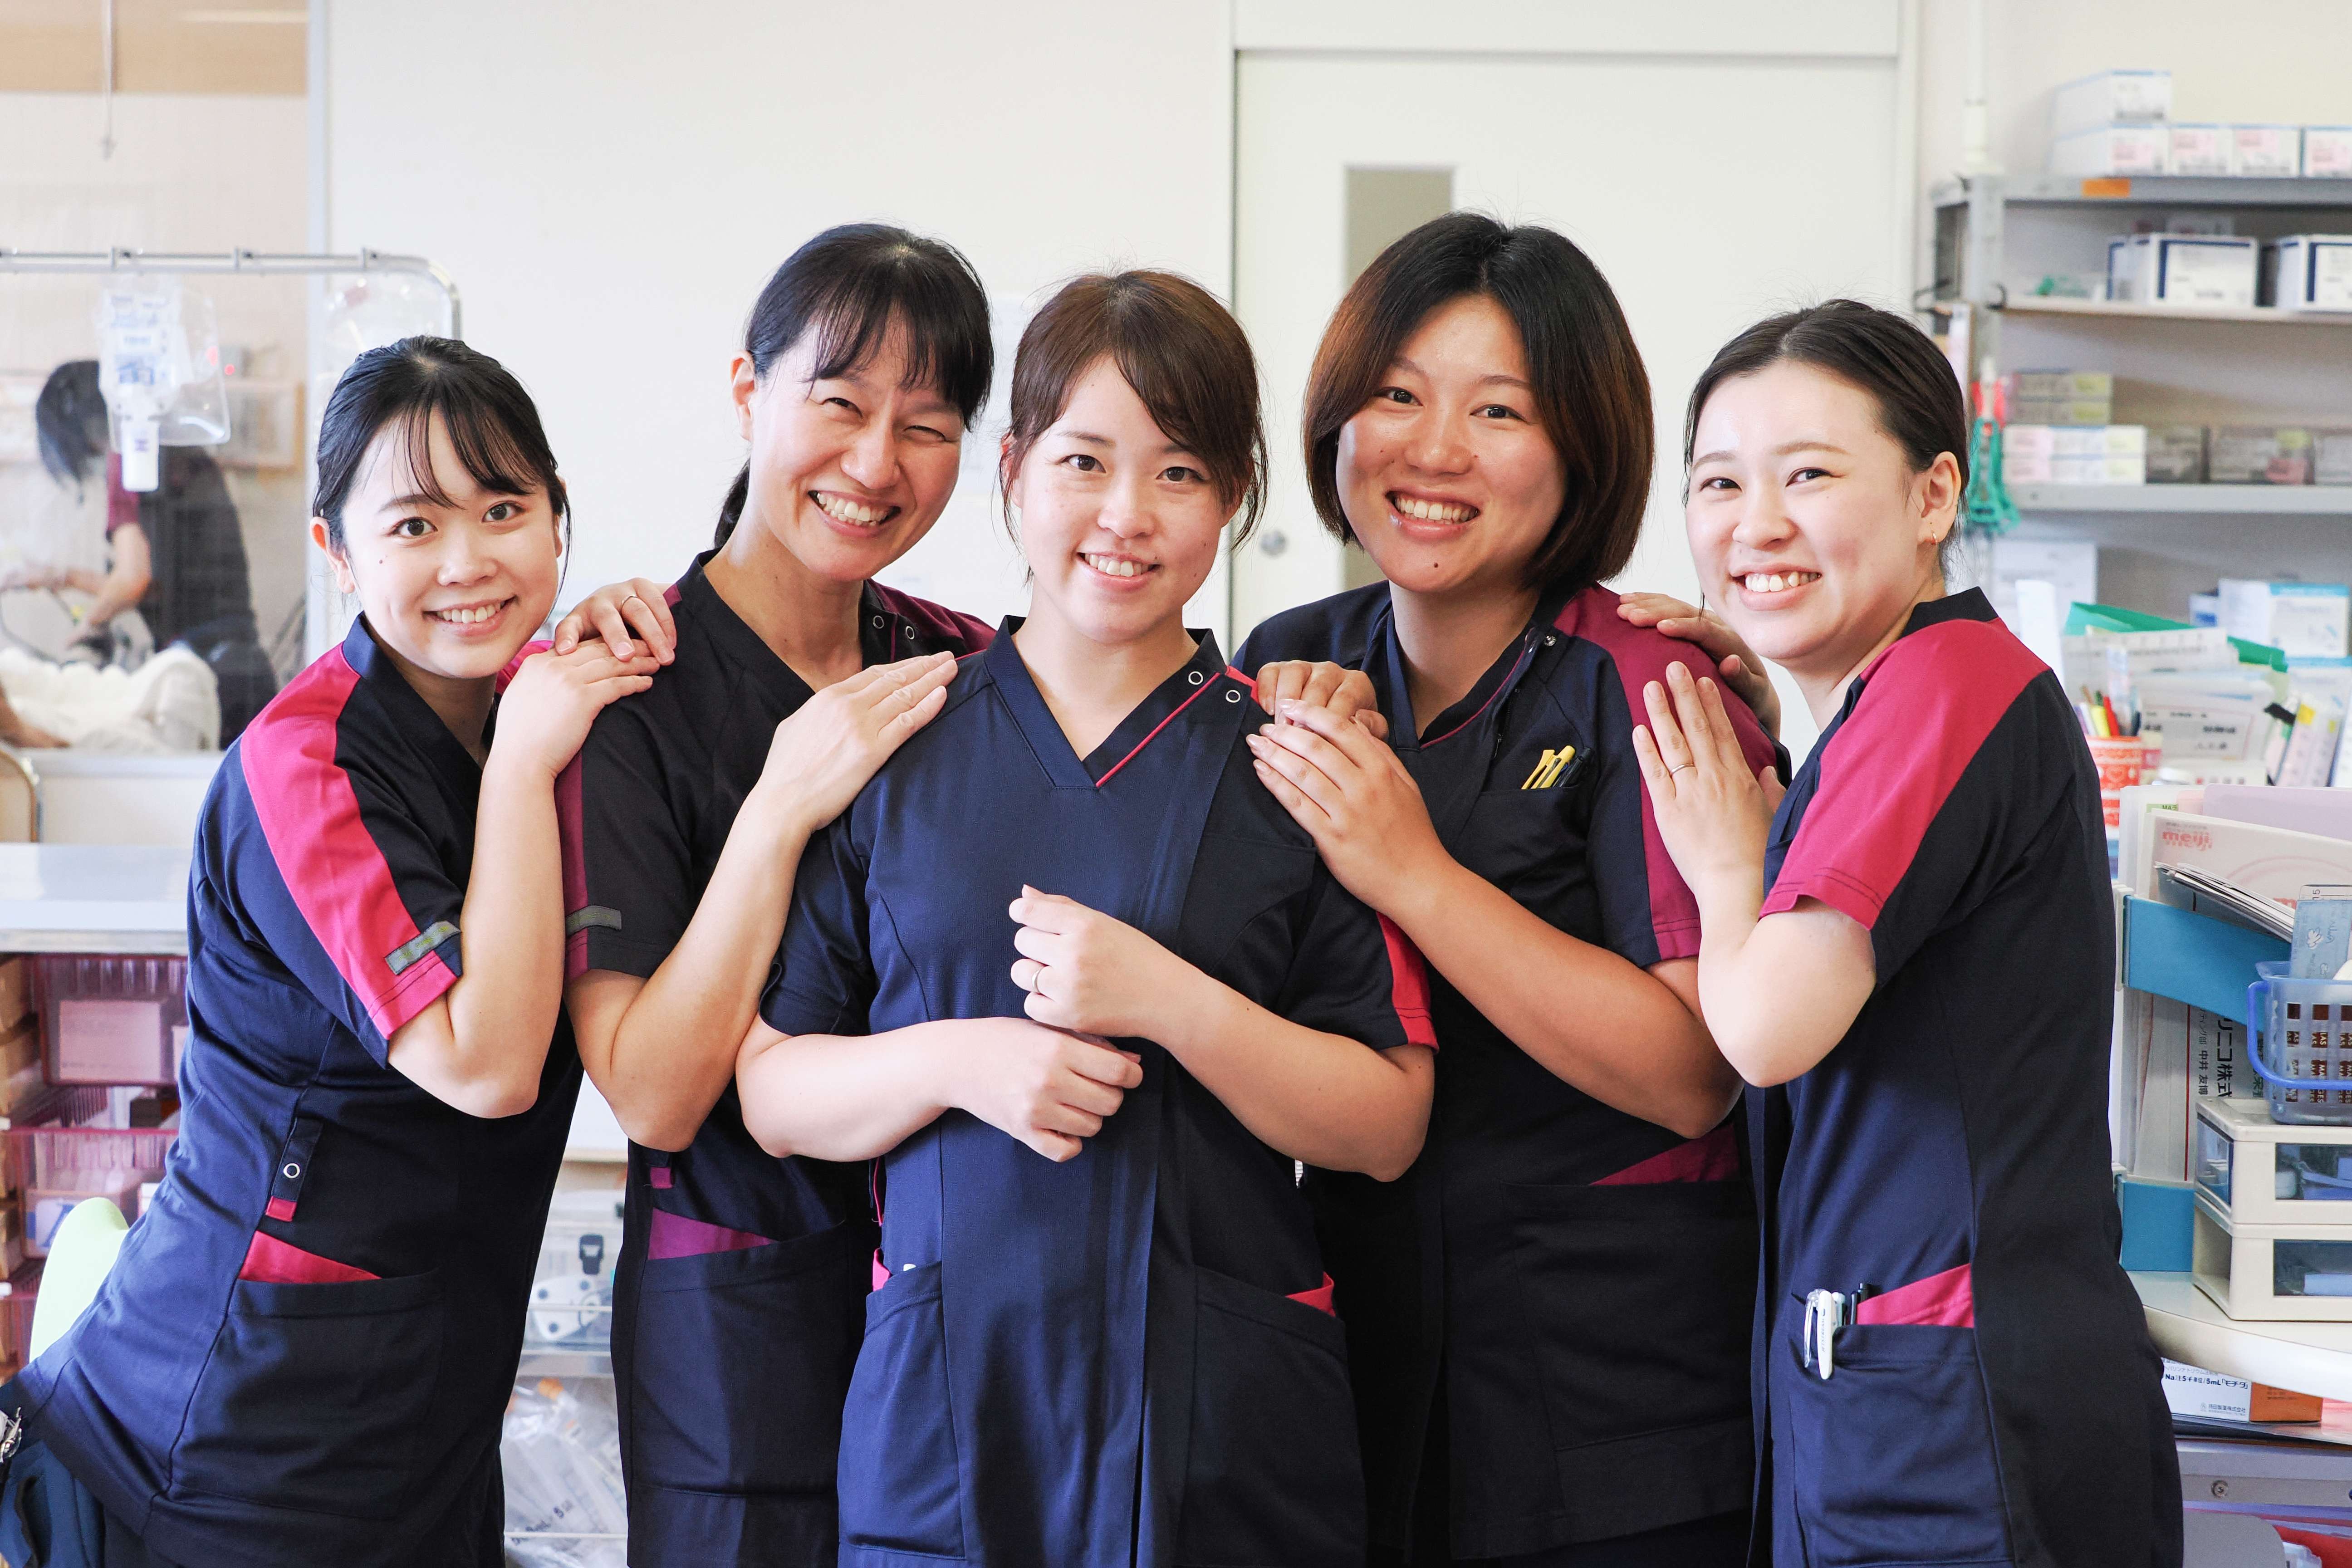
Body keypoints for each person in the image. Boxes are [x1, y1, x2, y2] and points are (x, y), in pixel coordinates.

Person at [735, 269, 1438, 1568]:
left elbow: (1387, 1124)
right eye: (1084, 461)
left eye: (1179, 472)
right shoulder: (893, 743)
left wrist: (1176, 1003)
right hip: (953, 1410)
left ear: (1234, 498)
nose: (1126, 515)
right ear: (1012, 471)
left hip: (1218, 1422)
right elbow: (774, 1089)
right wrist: (958, 1060)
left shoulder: (1293, 763)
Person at [0, 336, 660, 1568]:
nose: (468, 560)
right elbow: (485, 1063)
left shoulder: (529, 701)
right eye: (413, 525)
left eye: (504, 509)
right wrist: (527, 755)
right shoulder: (304, 763)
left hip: (425, 1403)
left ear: (557, 517)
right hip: (241, 1432)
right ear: (337, 551)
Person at [1238, 213, 1778, 1568]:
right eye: (1396, 396)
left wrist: (1412, 872)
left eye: (1498, 410)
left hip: (1606, 1402)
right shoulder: (1288, 663)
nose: (1434, 451)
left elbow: (1693, 1071)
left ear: (1582, 447)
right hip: (1354, 1363)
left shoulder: (1646, 684)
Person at [1632, 300, 2179, 1568]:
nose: (1755, 524)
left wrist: (1725, 861)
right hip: (1911, 1391)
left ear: (1934, 495)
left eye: (1808, 475)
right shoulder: (1892, 700)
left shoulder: (1945, 686)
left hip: (1956, 1426)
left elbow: (1766, 1028)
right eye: (1719, 481)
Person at [556, 223, 996, 1568]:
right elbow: (651, 1092)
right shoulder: (626, 689)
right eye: (841, 403)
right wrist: (779, 807)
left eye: (927, 426)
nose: (875, 464)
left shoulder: (955, 669)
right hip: (737, 1335)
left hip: (958, 1298)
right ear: (749, 391)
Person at [24, 360, 278, 741]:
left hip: (200, 678)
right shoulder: (179, 451)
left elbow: (133, 581)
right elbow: (157, 582)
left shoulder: (132, 457)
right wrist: (63, 578)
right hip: (241, 667)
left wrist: (87, 627)